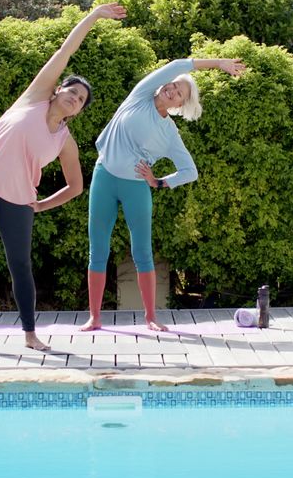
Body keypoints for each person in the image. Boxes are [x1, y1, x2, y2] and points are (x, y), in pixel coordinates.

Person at [0, 3, 127, 352]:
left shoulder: (65, 143)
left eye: (81, 99)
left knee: (20, 266)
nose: (74, 98)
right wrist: (94, 16)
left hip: (20, 201)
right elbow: (65, 50)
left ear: (80, 110)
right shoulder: (35, 97)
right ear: (58, 90)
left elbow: (77, 186)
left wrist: (42, 205)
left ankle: (30, 335)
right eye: (72, 91)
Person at [81, 57, 246, 332]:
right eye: (172, 86)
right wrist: (218, 64)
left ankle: (151, 319)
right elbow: (177, 65)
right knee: (97, 250)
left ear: (179, 105)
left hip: (135, 186)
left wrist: (158, 183)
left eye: (178, 93)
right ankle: (94, 318)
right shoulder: (141, 96)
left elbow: (189, 170)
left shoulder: (170, 133)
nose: (171, 89)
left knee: (142, 253)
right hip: (104, 177)